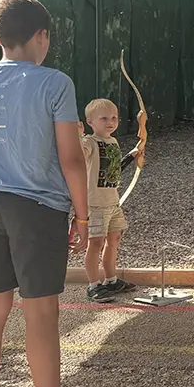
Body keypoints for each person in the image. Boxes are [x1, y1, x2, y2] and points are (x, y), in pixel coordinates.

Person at [0, 0, 108, 387]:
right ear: (41, 35)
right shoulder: (55, 83)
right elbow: (71, 158)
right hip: (39, 209)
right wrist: (83, 216)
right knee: (40, 312)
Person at [79, 99, 145, 303]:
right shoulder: (89, 142)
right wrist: (77, 135)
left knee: (114, 239)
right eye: (104, 118)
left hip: (112, 201)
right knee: (96, 243)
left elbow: (114, 169)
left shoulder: (112, 142)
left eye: (114, 118)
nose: (110, 122)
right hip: (96, 203)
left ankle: (111, 280)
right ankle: (93, 285)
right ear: (90, 121)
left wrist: (134, 153)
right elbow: (77, 153)